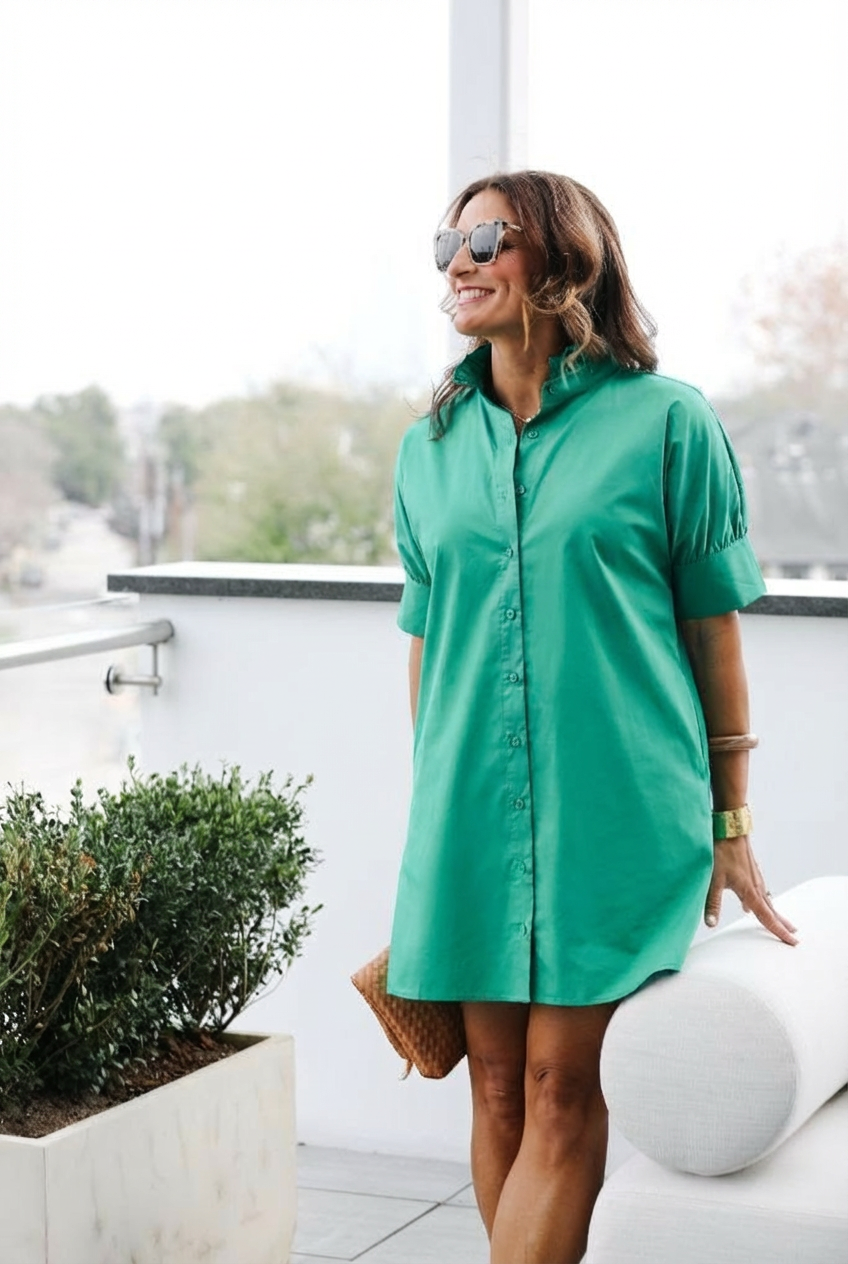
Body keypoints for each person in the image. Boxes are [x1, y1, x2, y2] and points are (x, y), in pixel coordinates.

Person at [386, 170, 799, 1264]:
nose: (458, 261)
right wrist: (432, 822)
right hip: (469, 819)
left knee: (563, 1087)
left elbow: (714, 637)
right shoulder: (425, 452)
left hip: (613, 822)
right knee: (491, 1088)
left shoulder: (666, 424)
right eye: (447, 243)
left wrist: (731, 823)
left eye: (488, 238)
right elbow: (427, 654)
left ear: (564, 259)